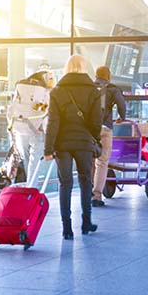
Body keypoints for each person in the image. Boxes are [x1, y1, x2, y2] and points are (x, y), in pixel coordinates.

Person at [44, 55, 102, 240]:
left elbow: (52, 122)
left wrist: (48, 148)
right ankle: (86, 222)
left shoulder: (57, 91)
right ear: (84, 67)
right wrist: (94, 137)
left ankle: (67, 228)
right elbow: (96, 121)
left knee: (65, 184)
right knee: (86, 181)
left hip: (62, 144)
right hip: (84, 142)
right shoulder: (93, 90)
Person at [7, 71, 52, 183]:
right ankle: (31, 189)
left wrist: (12, 128)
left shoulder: (21, 88)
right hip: (36, 130)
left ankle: (28, 187)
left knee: (27, 161)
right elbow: (46, 112)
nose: (52, 81)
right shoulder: (44, 92)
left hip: (20, 129)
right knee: (35, 163)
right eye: (50, 78)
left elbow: (11, 109)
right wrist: (47, 132)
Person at [92, 66, 126, 207]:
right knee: (102, 161)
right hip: (105, 128)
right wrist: (121, 117)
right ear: (109, 76)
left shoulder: (89, 88)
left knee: (89, 161)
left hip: (89, 130)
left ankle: (87, 192)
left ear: (96, 75)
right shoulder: (112, 88)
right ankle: (97, 196)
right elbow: (121, 105)